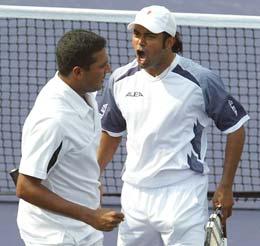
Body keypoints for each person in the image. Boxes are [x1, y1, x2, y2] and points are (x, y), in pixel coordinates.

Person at [97, 5, 249, 246]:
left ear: (170, 41)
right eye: (137, 34)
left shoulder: (201, 80)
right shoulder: (119, 80)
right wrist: (93, 177)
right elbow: (111, 133)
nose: (140, 42)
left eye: (150, 36)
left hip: (183, 195)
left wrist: (226, 186)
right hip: (135, 197)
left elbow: (236, 128)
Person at [16, 29, 124, 246]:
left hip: (82, 229)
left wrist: (90, 183)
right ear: (78, 72)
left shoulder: (83, 92)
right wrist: (90, 215)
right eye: (101, 66)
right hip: (56, 236)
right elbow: (25, 186)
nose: (108, 70)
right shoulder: (54, 120)